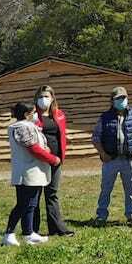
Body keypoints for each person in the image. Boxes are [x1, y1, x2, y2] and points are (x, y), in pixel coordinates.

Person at [3, 102, 60, 246]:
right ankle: (9, 234)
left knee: (31, 204)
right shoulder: (21, 127)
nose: (36, 114)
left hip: (35, 171)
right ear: (26, 114)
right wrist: (53, 159)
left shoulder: (29, 126)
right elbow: (33, 148)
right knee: (23, 204)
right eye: (33, 112)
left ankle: (29, 233)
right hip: (27, 172)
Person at [91, 86, 132, 225]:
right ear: (112, 101)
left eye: (123, 97)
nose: (121, 100)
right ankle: (101, 215)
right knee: (106, 188)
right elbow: (96, 137)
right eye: (118, 98)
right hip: (110, 159)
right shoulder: (105, 117)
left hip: (129, 159)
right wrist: (102, 153)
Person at [31, 84, 73, 236]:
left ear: (52, 98)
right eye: (41, 96)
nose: (44, 99)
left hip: (56, 160)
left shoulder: (59, 114)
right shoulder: (33, 116)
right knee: (35, 193)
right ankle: (32, 229)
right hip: (38, 160)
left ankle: (56, 228)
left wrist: (61, 156)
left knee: (52, 194)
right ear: (36, 98)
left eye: (47, 96)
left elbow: (61, 135)